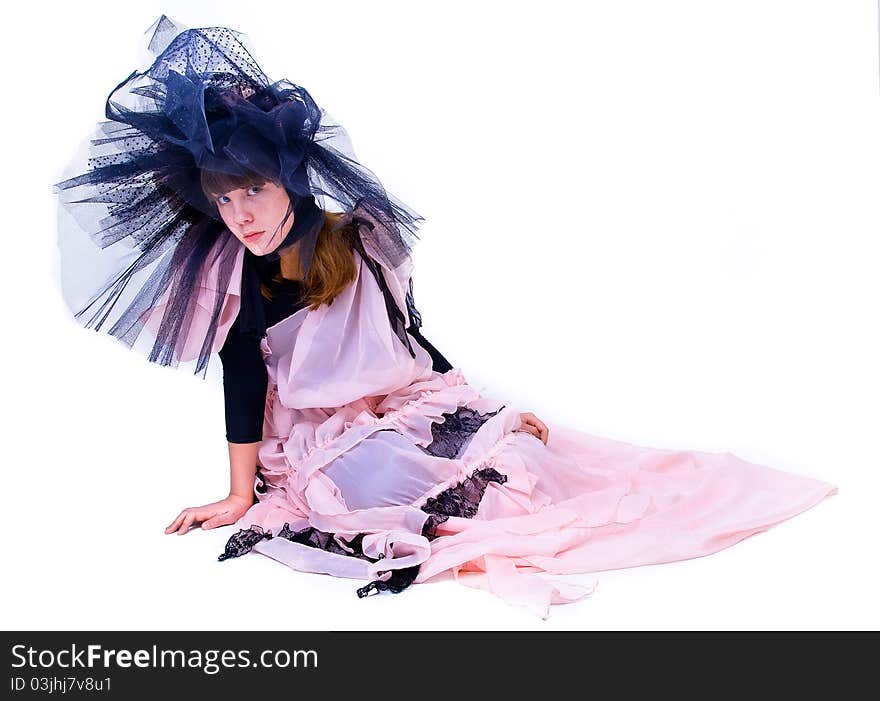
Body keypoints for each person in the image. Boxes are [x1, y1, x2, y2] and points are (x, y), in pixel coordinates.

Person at [54, 16, 836, 618]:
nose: (240, 216)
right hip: (315, 430)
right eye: (223, 201)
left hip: (389, 400)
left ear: (287, 179)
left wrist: (472, 403)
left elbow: (404, 338)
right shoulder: (239, 276)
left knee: (511, 458)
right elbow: (240, 374)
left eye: (251, 191)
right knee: (379, 478)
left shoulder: (352, 242)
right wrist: (234, 493)